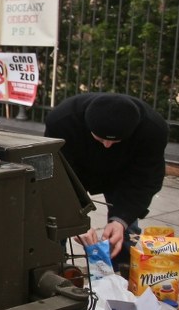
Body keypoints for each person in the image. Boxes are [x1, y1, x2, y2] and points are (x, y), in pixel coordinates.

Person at [43, 93, 169, 267]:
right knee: (56, 224)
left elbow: (145, 180)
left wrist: (121, 220)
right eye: (99, 138)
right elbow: (55, 177)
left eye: (116, 141)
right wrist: (73, 219)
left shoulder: (153, 129)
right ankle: (54, 266)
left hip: (123, 176)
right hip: (74, 172)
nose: (107, 145)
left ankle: (121, 269)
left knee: (125, 228)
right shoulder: (62, 120)